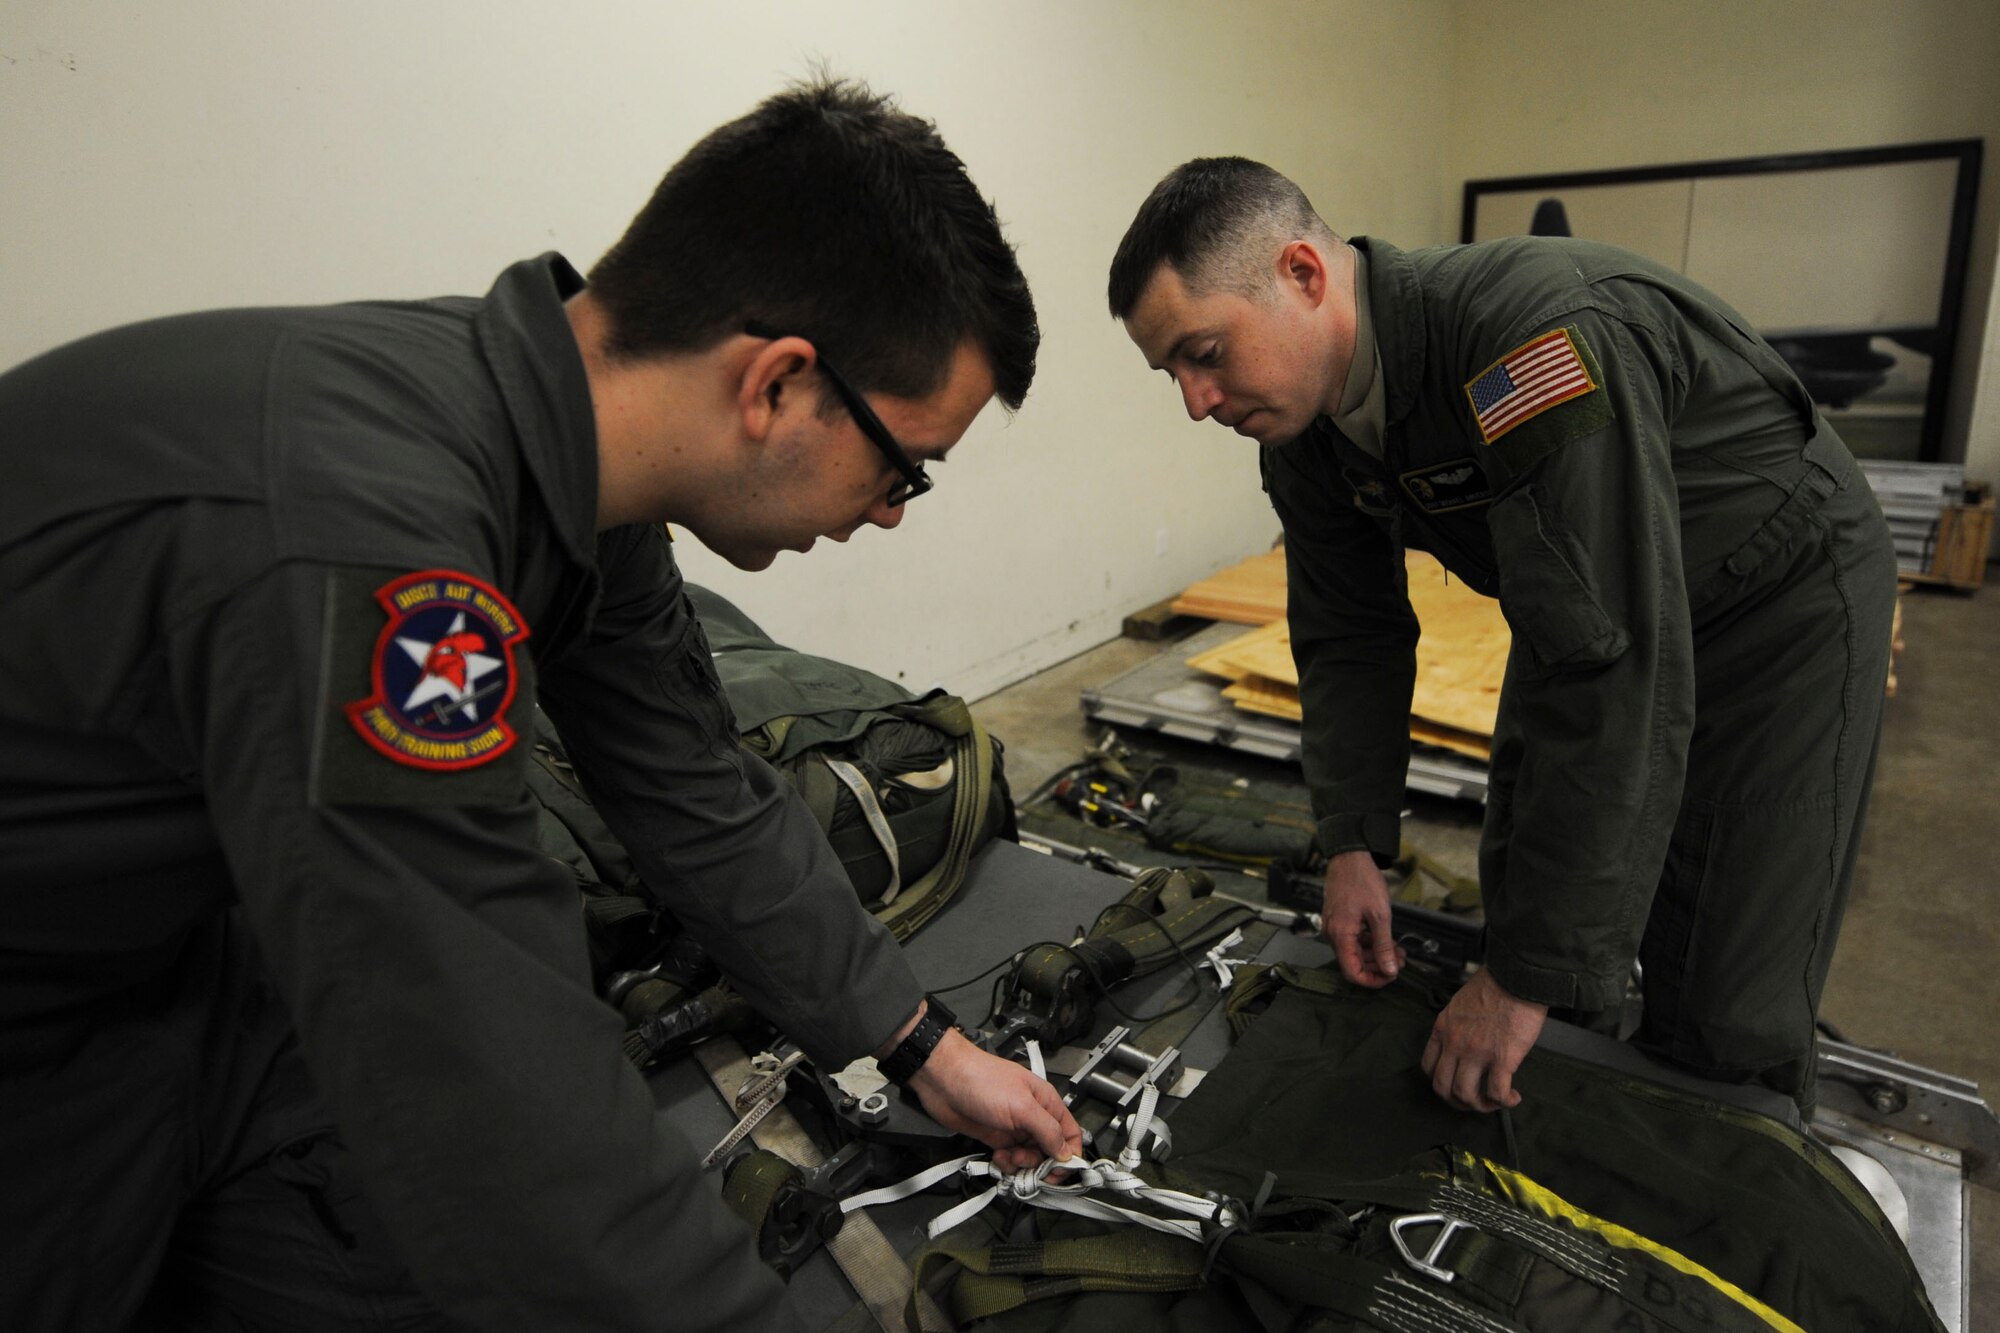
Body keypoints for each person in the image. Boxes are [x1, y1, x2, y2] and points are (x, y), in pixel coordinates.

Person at [0, 78, 1080, 1331]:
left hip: (185, 947)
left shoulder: (564, 475)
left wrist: (918, 1046)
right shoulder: (372, 546)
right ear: (778, 384)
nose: (889, 510)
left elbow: (699, 795)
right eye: (903, 467)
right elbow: (482, 1067)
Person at [1108, 157, 1896, 1119]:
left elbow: (1606, 670)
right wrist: (1352, 844)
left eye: (1205, 353)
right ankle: (1568, 1090)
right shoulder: (1300, 430)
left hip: (1775, 593)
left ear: (1303, 276)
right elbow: (1346, 632)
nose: (1195, 400)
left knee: (1726, 959)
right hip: (1603, 584)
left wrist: (1520, 981)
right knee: (1527, 857)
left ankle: (1717, 1170)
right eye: (1172, 374)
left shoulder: (1530, 346)